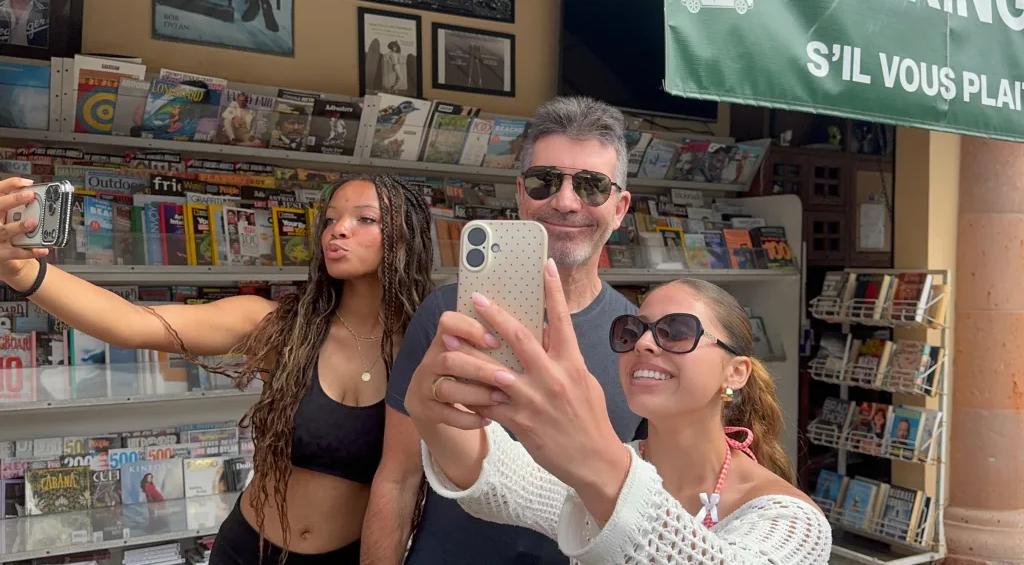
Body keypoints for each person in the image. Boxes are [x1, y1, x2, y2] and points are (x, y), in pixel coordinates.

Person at [0, 173, 434, 565]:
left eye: (365, 219)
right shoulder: (280, 327)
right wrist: (21, 271)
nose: (337, 229)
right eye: (331, 219)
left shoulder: (426, 350)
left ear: (405, 238)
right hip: (245, 549)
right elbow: (132, 323)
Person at [360, 96, 645, 565]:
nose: (565, 201)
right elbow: (398, 477)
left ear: (620, 208)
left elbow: (649, 503)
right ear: (520, 193)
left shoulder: (640, 342)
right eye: (544, 181)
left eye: (592, 186)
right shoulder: (446, 313)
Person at [407, 269, 833, 564]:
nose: (644, 343)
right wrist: (435, 414)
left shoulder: (792, 521)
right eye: (632, 330)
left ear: (736, 372)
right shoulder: (609, 468)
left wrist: (593, 456)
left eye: (676, 331)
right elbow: (505, 482)